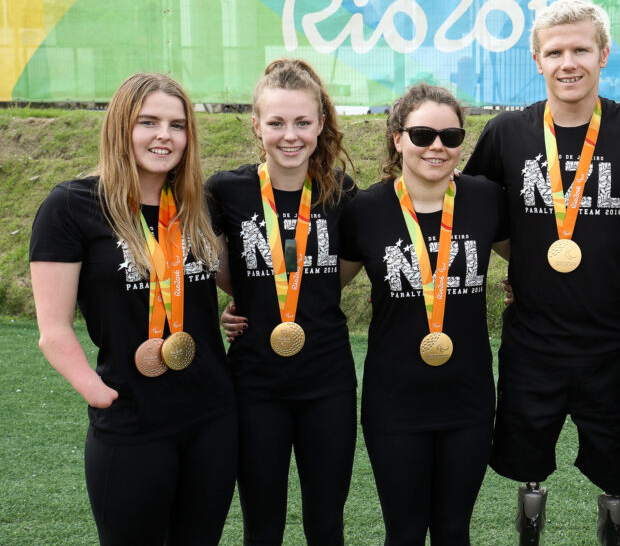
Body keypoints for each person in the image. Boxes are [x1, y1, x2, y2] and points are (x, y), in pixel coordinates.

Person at [462, 0, 620, 545]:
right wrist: (527, 261)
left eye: (581, 49)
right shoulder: (507, 134)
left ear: (604, 54)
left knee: (616, 467)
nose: (568, 62)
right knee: (528, 460)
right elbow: (471, 215)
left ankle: (612, 535)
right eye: (554, 51)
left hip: (615, 340)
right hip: (533, 337)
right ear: (537, 60)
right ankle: (528, 532)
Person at [29, 73, 237, 545]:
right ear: (121, 127)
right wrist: (99, 395)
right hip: (131, 421)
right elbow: (53, 329)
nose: (165, 135)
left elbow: (220, 285)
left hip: (212, 418)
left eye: (177, 124)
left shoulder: (196, 203)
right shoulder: (71, 206)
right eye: (148, 121)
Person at [337, 83, 509, 545]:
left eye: (451, 137)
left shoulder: (487, 199)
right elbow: (321, 288)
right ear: (397, 138)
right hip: (395, 400)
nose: (437, 146)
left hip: (468, 398)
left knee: (454, 531)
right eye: (422, 134)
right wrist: (246, 306)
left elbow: (532, 262)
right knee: (405, 531)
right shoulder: (366, 209)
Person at [207, 59, 357, 546]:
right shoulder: (225, 191)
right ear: (257, 126)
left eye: (301, 122)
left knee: (325, 526)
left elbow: (344, 272)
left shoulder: (342, 193)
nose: (289, 135)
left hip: (328, 381)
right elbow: (222, 271)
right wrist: (244, 302)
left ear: (320, 124)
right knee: (262, 527)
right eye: (276, 123)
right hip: (255, 383)